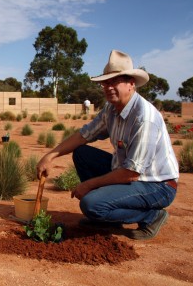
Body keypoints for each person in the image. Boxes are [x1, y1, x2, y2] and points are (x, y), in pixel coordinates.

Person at [37, 50, 179, 240]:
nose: (108, 87)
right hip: (128, 173)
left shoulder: (144, 118)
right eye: (105, 82)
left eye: (115, 81)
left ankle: (151, 216)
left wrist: (88, 185)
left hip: (157, 185)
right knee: (82, 153)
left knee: (91, 205)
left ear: (131, 83)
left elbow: (131, 173)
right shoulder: (111, 109)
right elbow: (83, 135)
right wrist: (51, 155)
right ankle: (108, 218)